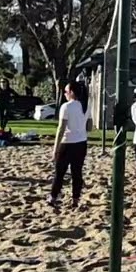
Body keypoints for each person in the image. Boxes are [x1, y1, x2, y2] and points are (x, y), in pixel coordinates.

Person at [48, 81, 88, 209]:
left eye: (66, 91)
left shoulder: (66, 107)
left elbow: (61, 128)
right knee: (77, 172)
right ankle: (75, 199)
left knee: (60, 172)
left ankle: (53, 197)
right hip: (81, 143)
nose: (64, 94)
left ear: (71, 92)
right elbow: (90, 127)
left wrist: (55, 148)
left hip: (67, 142)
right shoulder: (86, 106)